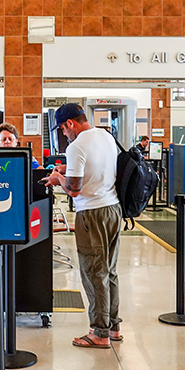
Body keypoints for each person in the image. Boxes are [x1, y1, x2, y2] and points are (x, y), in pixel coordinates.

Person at [42, 103, 122, 349]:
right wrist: (69, 170)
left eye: (63, 130)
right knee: (109, 270)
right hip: (113, 209)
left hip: (92, 214)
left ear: (69, 124)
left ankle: (100, 333)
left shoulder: (76, 146)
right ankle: (113, 326)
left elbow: (74, 190)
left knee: (93, 272)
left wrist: (58, 178)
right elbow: (100, 169)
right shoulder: (106, 136)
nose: (64, 134)